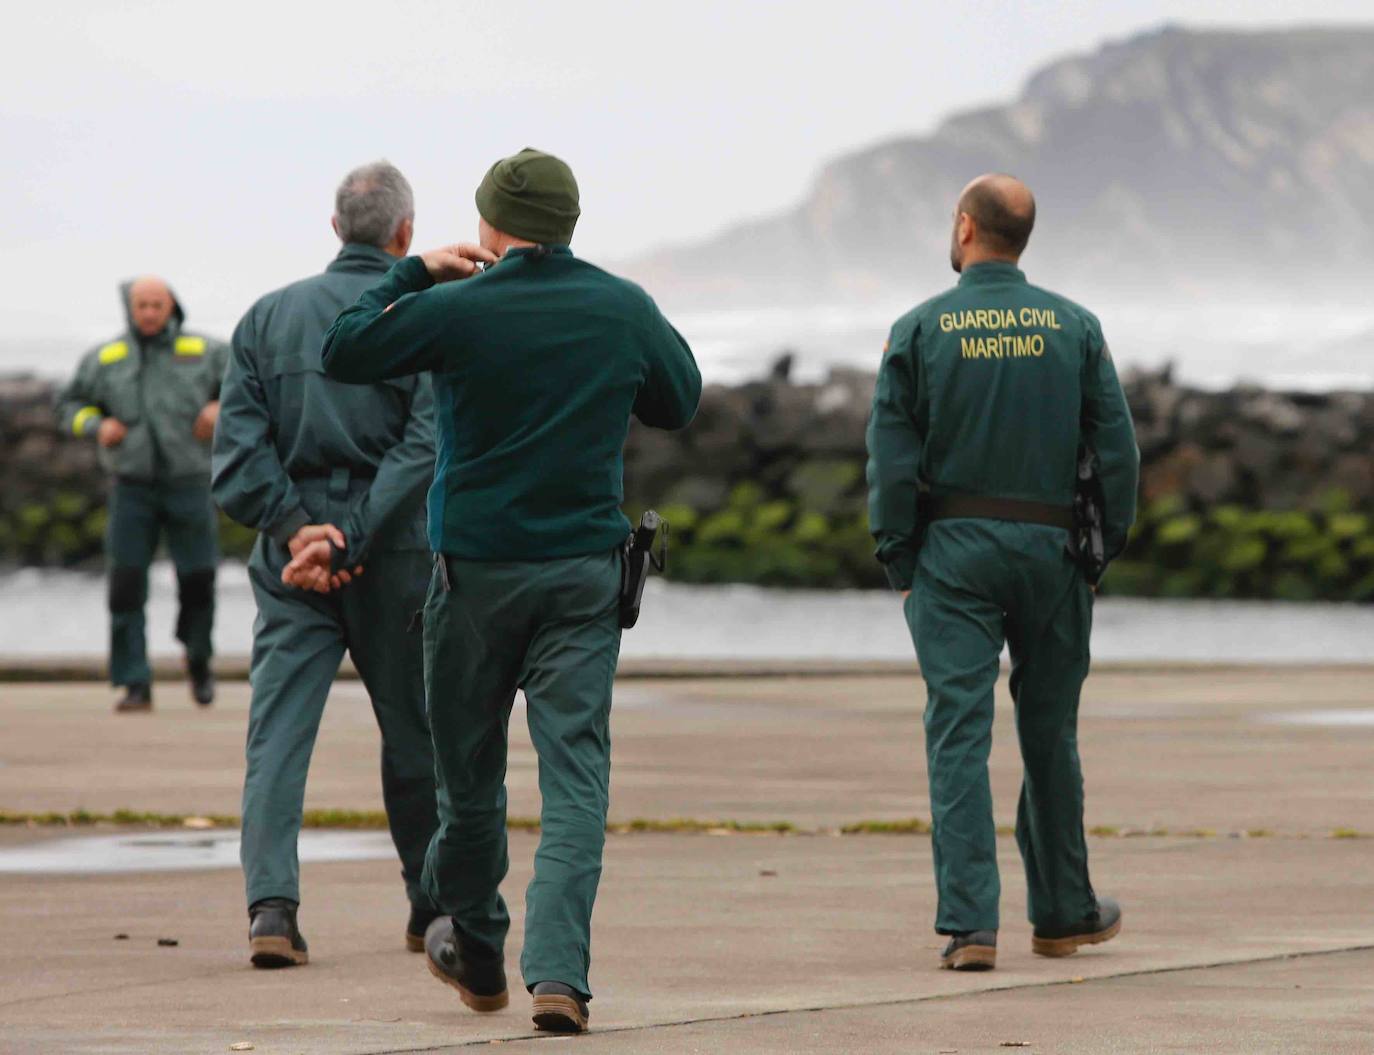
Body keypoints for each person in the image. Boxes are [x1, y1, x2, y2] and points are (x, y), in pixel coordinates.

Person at [313, 148, 701, 1033]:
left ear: (489, 224)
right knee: (575, 781)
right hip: (582, 578)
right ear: (570, 222)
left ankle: (479, 946)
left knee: (469, 774)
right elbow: (680, 401)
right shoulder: (621, 304)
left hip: (474, 577)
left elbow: (343, 348)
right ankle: (559, 975)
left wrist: (414, 269)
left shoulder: (457, 306)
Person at [865, 174, 1139, 972]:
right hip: (1053, 549)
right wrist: (1099, 554)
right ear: (1021, 236)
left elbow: (890, 458)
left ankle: (970, 926)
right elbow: (1116, 451)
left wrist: (899, 558)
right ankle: (1061, 911)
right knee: (1050, 732)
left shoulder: (919, 329)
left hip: (952, 551)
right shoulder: (1075, 326)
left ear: (964, 227)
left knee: (958, 730)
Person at [211, 160, 441, 969]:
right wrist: (351, 534)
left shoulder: (267, 317)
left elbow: (237, 453)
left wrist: (298, 530)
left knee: (277, 732)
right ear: (405, 233)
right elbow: (425, 446)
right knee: (415, 731)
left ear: (335, 226)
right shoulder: (419, 315)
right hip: (394, 553)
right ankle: (432, 904)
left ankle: (271, 909)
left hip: (290, 559)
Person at [56, 277, 227, 713]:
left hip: (190, 482)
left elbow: (247, 389)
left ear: (172, 307)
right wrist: (96, 425)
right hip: (131, 487)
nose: (149, 312)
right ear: (130, 309)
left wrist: (219, 407)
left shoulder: (205, 352)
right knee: (126, 585)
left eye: (157, 304)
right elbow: (68, 406)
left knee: (199, 579)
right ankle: (133, 681)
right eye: (142, 305)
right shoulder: (106, 358)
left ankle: (200, 662)